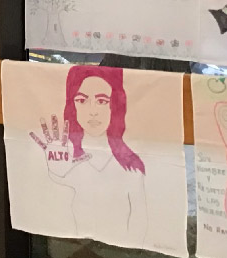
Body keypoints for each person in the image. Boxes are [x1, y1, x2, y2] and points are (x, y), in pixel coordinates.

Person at [29, 66, 148, 242]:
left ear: (115, 105)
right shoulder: (65, 158)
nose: (92, 111)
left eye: (102, 101)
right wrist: (55, 173)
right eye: (81, 100)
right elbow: (47, 209)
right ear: (72, 105)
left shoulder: (131, 166)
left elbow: (140, 224)